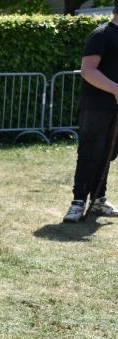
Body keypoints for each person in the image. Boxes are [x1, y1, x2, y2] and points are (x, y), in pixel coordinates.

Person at [64, 0, 118, 223]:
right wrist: (116, 89)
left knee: (108, 154)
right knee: (90, 153)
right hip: (96, 107)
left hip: (115, 108)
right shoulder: (101, 34)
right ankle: (77, 203)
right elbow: (87, 70)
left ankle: (98, 200)